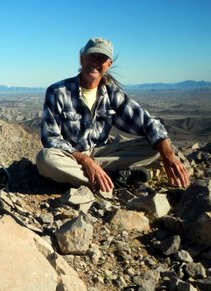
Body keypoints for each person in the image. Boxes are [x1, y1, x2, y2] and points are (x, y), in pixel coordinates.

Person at [36, 37, 190, 192]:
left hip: (102, 155)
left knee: (155, 146)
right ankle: (110, 179)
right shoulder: (57, 92)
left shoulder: (112, 93)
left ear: (108, 64)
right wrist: (84, 160)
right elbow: (51, 138)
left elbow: (146, 122)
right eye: (91, 56)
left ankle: (88, 177)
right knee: (46, 159)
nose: (95, 61)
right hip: (70, 157)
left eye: (101, 58)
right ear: (81, 59)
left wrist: (168, 155)